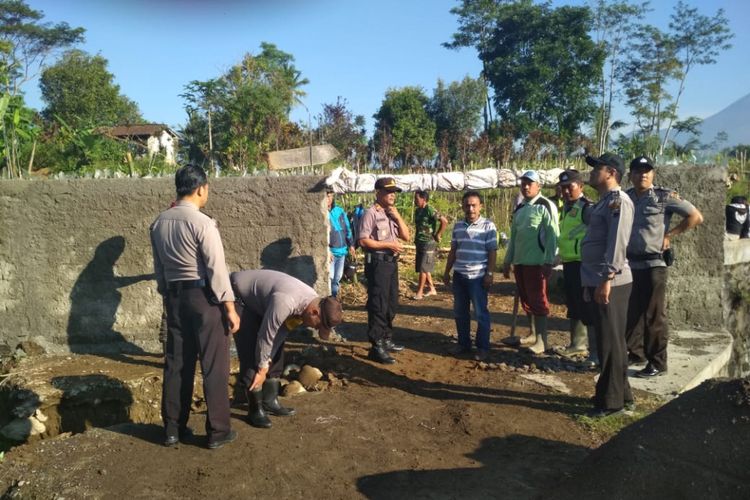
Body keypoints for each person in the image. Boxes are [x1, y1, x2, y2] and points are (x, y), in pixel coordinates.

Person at [150, 164, 240, 449]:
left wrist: (167, 293)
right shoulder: (202, 223)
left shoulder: (159, 223)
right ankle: (218, 431)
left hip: (174, 299)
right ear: (201, 188)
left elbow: (159, 267)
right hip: (203, 298)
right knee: (214, 365)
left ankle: (173, 429)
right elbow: (216, 268)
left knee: (177, 363)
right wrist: (229, 308)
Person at [230, 269, 343, 428]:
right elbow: (266, 335)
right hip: (239, 297)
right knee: (252, 350)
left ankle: (270, 400)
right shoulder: (286, 301)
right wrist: (262, 367)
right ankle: (255, 409)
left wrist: (268, 359)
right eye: (317, 326)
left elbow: (281, 332)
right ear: (315, 312)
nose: (316, 329)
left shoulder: (308, 305)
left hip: (263, 303)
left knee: (273, 352)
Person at [625, 155, 704, 378]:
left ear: (653, 174)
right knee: (632, 313)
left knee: (653, 315)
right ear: (630, 175)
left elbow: (695, 217)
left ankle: (658, 363)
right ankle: (636, 354)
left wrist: (670, 234)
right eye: (638, 171)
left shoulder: (663, 197)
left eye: (647, 171)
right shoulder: (626, 197)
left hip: (654, 265)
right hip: (630, 264)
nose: (643, 174)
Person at [581, 153, 634, 417]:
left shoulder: (618, 202)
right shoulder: (604, 203)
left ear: (611, 172)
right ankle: (622, 394)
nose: (591, 172)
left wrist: (606, 279)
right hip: (598, 280)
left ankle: (611, 403)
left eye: (596, 168)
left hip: (611, 282)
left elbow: (617, 243)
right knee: (609, 340)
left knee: (610, 342)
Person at [502, 170, 559, 355]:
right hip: (520, 262)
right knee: (527, 301)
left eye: (530, 183)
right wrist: (507, 260)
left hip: (537, 262)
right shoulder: (520, 208)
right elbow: (514, 237)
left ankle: (542, 341)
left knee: (538, 300)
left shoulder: (546, 205)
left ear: (538, 186)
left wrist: (549, 261)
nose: (526, 187)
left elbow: (553, 236)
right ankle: (533, 334)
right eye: (523, 183)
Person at [358, 177, 411, 364]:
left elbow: (406, 235)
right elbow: (363, 240)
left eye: (394, 192)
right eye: (388, 192)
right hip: (378, 263)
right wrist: (388, 244)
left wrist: (397, 216)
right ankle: (376, 345)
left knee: (391, 302)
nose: (392, 195)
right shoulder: (370, 213)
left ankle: (387, 338)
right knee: (378, 303)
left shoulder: (391, 213)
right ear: (378, 193)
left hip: (391, 263)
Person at [443, 191, 498, 361]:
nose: (470, 208)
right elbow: (453, 251)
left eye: (474, 205)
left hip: (478, 277)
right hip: (459, 276)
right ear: (463, 206)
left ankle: (482, 347)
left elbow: (492, 252)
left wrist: (489, 273)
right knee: (460, 312)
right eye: (467, 205)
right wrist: (447, 272)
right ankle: (463, 344)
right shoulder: (458, 226)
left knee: (481, 313)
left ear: (480, 206)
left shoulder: (488, 226)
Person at [555, 169, 596, 362]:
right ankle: (576, 344)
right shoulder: (567, 207)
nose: (565, 191)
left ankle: (587, 347)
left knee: (584, 304)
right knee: (573, 302)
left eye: (569, 187)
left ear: (581, 186)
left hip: (583, 263)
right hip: (570, 262)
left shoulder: (587, 208)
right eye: (562, 188)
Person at [413, 190, 448, 300]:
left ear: (424, 199)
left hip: (428, 242)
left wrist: (438, 234)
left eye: (417, 199)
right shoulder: (418, 211)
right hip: (420, 242)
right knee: (423, 267)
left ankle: (419, 292)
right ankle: (432, 288)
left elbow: (444, 221)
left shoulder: (430, 209)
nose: (415, 201)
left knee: (423, 268)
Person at [326, 190, 354, 298]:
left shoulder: (339, 211)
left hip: (342, 251)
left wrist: (351, 244)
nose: (328, 199)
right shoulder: (322, 213)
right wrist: (327, 251)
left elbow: (347, 228)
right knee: (330, 277)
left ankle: (333, 300)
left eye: (330, 196)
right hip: (331, 253)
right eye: (326, 196)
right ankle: (328, 302)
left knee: (337, 278)